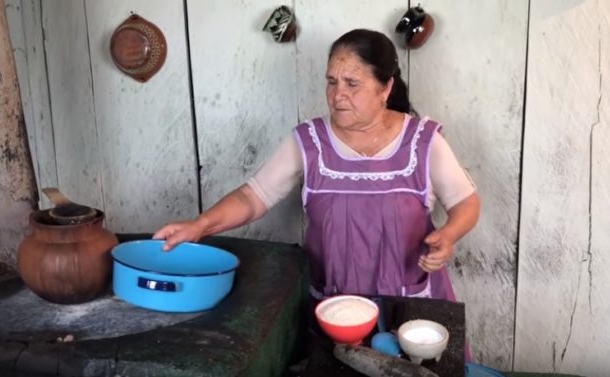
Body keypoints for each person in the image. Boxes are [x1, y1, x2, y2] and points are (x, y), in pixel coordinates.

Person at [154, 27, 479, 317]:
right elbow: (253, 197)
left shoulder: (422, 140)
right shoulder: (310, 141)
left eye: (352, 83)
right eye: (332, 81)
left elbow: (466, 202)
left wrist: (448, 236)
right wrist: (201, 225)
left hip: (412, 307)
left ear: (385, 88)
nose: (338, 95)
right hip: (334, 308)